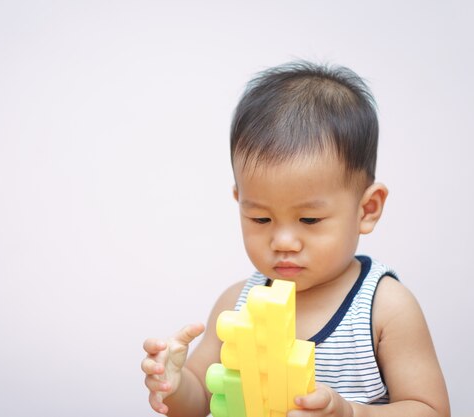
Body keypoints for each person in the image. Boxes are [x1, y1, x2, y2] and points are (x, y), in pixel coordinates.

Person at [141, 61, 450, 417]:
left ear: (367, 209)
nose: (283, 241)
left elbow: (431, 410)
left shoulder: (385, 309)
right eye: (260, 218)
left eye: (309, 219)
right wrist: (174, 384)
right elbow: (200, 402)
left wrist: (353, 413)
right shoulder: (237, 305)